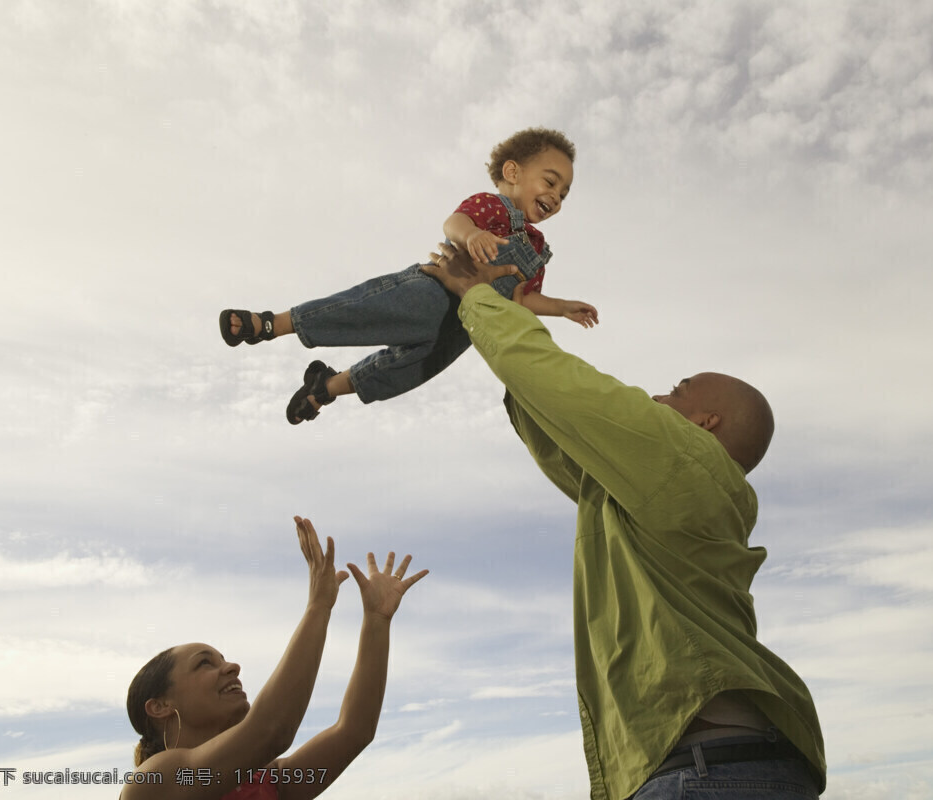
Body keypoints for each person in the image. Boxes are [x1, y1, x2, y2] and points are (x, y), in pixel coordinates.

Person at [420, 247, 827, 799]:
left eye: (678, 391)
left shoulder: (686, 460)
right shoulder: (658, 494)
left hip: (708, 775)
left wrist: (476, 297)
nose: (659, 395)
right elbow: (563, 432)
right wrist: (502, 320)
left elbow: (567, 389)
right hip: (721, 770)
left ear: (706, 423)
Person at [217, 127, 598, 425]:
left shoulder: (537, 250)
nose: (556, 197)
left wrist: (561, 306)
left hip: (466, 327)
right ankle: (273, 324)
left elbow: (520, 299)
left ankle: (325, 388)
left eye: (564, 193)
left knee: (408, 370)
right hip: (433, 291)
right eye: (550, 182)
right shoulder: (492, 207)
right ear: (513, 172)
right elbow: (454, 223)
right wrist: (473, 235)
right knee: (369, 311)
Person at [122, 516, 427, 800]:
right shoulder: (151, 782)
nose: (232, 667)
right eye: (205, 662)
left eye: (223, 659)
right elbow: (272, 729)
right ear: (160, 706)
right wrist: (318, 606)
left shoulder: (268, 780)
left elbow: (354, 730)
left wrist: (376, 621)